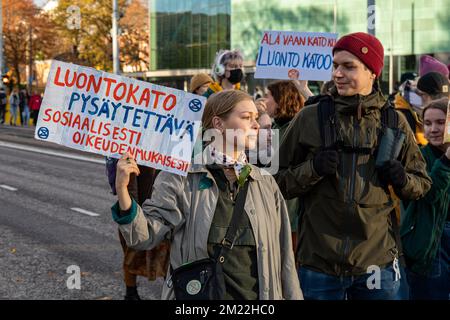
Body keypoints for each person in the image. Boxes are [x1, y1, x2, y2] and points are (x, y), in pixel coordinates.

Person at [275, 32, 432, 300]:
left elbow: (422, 184)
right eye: (335, 65)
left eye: (349, 66)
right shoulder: (309, 117)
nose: (338, 73)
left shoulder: (395, 122)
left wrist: (402, 179)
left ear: (372, 72)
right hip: (319, 263)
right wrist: (312, 169)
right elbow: (275, 182)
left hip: (376, 261)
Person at [112, 90, 302, 300]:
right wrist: (122, 190)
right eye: (247, 117)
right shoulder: (181, 178)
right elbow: (144, 236)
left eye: (256, 118)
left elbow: (285, 260)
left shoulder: (265, 184)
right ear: (219, 124)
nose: (256, 125)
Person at [401, 98, 450, 300]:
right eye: (428, 123)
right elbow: (428, 194)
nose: (433, 129)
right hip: (430, 247)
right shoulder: (418, 157)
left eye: (440, 122)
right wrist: (446, 161)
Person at [265, 80, 305, 252]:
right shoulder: (275, 127)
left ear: (281, 100)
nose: (265, 101)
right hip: (276, 207)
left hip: (291, 212)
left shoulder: (294, 128)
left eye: (269, 97)